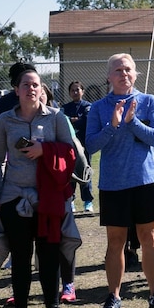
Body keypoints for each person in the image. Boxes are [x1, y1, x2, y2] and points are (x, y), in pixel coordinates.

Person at [0, 67, 87, 308]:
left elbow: (71, 153)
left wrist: (46, 150)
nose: (31, 89)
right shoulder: (4, 121)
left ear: (42, 89)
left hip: (48, 198)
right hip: (13, 198)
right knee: (20, 255)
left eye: (36, 85)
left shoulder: (56, 117)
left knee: (48, 253)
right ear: (16, 91)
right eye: (26, 85)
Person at [87, 53, 154, 308]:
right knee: (115, 242)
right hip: (113, 185)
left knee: (149, 238)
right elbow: (91, 145)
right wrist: (112, 125)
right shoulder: (98, 108)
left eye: (128, 70)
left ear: (136, 74)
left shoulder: (148, 101)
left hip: (145, 180)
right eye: (118, 70)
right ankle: (114, 297)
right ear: (109, 76)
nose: (124, 74)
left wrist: (132, 122)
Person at [60, 80, 94, 214]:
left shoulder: (88, 106)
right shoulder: (65, 107)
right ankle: (70, 200)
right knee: (70, 172)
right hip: (69, 145)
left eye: (77, 90)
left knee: (85, 170)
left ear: (83, 91)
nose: (75, 92)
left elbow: (86, 121)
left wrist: (74, 121)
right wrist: (71, 120)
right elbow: (63, 121)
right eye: (72, 90)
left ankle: (88, 201)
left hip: (84, 145)